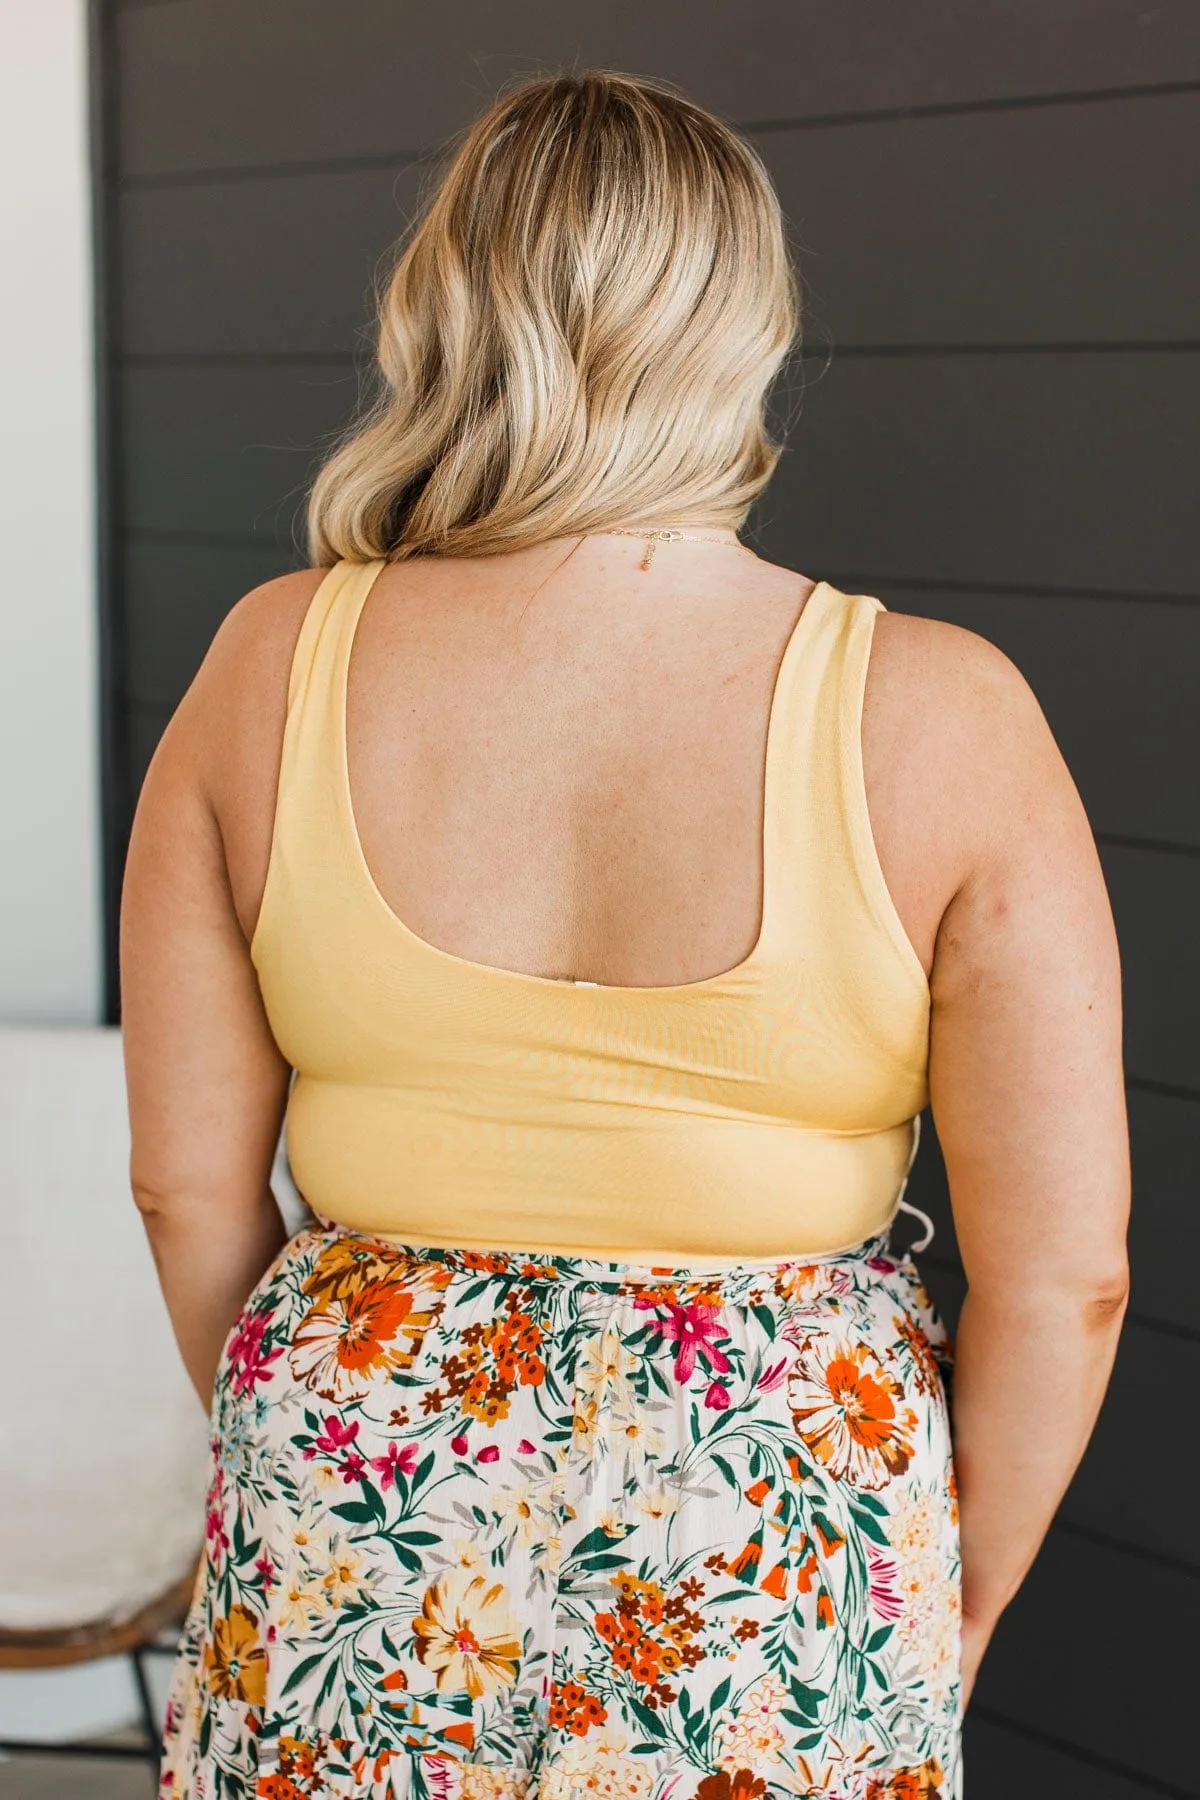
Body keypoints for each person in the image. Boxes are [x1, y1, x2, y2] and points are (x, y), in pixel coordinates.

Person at [120, 69, 1130, 1800]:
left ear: (440, 309)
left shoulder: (266, 666)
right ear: (745, 332)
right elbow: (1064, 1278)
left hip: (365, 1491)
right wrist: (950, 1605)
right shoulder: (945, 716)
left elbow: (186, 1189)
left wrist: (346, 1438)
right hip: (777, 1524)